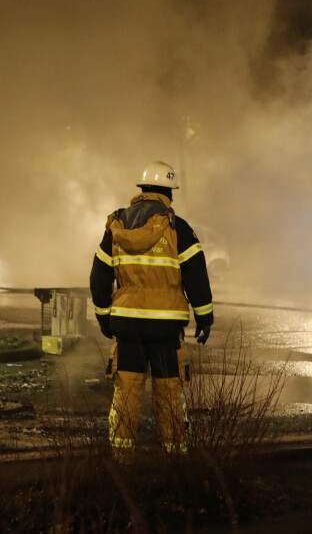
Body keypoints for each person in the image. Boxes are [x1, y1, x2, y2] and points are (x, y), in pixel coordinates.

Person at [90, 161, 214, 460]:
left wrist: (104, 316)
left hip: (127, 326)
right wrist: (204, 317)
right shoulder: (177, 228)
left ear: (142, 190)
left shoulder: (116, 227)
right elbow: (196, 275)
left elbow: (99, 276)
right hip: (165, 329)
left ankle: (122, 460)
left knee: (126, 393)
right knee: (170, 394)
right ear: (168, 193)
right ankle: (174, 458)